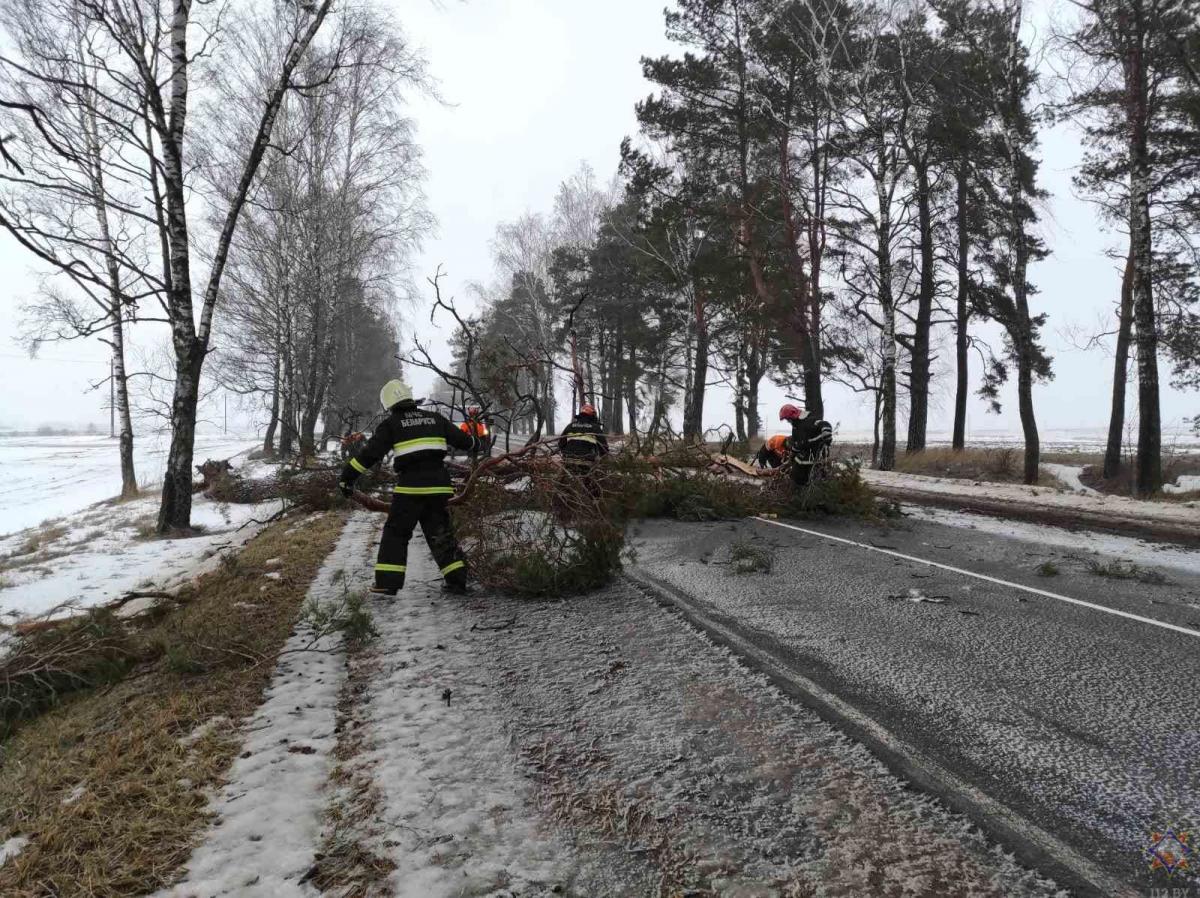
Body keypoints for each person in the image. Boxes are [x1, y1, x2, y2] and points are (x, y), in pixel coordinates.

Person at [337, 379, 483, 596]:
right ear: (410, 399)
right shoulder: (435, 419)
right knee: (440, 533)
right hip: (439, 488)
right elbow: (467, 442)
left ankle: (387, 583)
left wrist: (347, 479)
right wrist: (477, 444)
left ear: (390, 404)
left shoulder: (391, 425)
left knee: (396, 533)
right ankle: (457, 581)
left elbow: (368, 456)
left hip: (410, 490)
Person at [779, 404, 833, 486]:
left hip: (815, 459)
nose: (788, 421)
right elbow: (797, 445)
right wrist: (790, 458)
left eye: (788, 419)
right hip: (803, 459)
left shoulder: (809, 421)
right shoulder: (795, 428)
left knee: (813, 482)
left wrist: (825, 434)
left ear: (793, 416)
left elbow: (824, 424)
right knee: (796, 478)